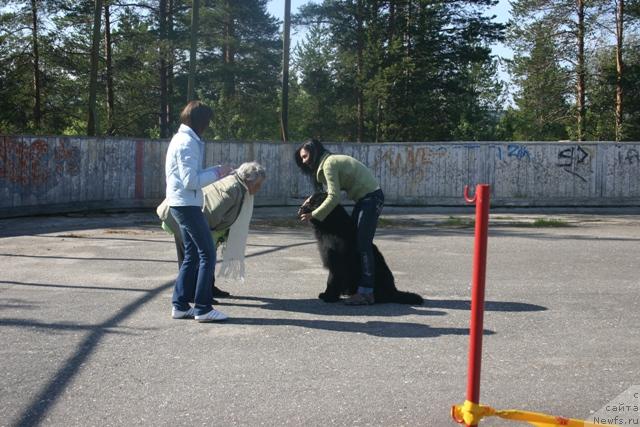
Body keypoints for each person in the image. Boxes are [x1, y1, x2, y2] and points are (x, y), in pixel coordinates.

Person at [164, 100, 233, 322]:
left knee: (192, 255)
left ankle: (181, 305)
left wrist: (216, 170)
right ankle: (203, 308)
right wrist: (217, 174)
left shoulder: (183, 139)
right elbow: (190, 181)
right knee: (208, 253)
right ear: (200, 122)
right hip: (186, 205)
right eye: (207, 121)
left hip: (182, 203)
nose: (208, 125)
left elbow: (191, 175)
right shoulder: (187, 143)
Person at [157, 161, 267, 300]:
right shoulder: (232, 190)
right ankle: (194, 295)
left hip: (186, 215)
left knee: (202, 257)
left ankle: (207, 288)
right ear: (248, 180)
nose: (259, 188)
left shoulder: (238, 186)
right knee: (195, 258)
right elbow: (212, 215)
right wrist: (209, 238)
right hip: (181, 218)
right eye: (258, 184)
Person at [295, 139, 384, 305]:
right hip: (365, 199)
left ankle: (366, 293)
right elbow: (327, 193)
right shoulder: (328, 163)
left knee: (363, 245)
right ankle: (355, 287)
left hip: (371, 199)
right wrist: (311, 199)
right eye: (301, 158)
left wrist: (313, 214)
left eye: (305, 156)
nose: (303, 161)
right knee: (355, 242)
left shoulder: (329, 164)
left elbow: (333, 197)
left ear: (314, 153)